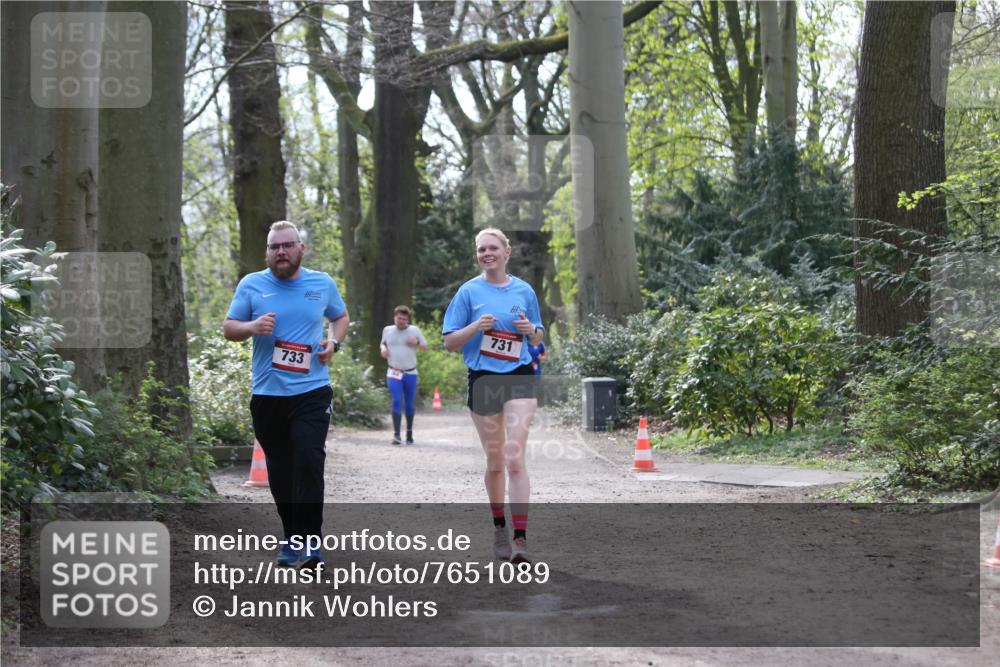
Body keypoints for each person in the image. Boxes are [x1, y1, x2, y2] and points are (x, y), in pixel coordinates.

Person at [223, 220, 349, 568]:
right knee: (280, 470)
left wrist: (333, 343)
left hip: (312, 391)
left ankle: (311, 542)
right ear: (267, 252)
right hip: (268, 394)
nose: (280, 252)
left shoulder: (321, 283)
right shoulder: (252, 284)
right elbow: (229, 328)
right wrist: (252, 326)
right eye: (274, 247)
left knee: (309, 461)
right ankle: (291, 535)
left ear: (300, 249)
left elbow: (340, 317)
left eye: (287, 245)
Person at [442, 228, 544, 564]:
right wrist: (476, 327)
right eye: (481, 249)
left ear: (506, 252)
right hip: (483, 379)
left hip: (519, 377)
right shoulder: (469, 292)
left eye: (492, 248)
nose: (486, 254)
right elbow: (450, 342)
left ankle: (520, 539)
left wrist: (532, 331)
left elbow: (538, 335)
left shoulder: (524, 290)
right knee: (496, 462)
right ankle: (499, 526)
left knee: (515, 458)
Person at [380, 305, 429, 445]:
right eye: (399, 318)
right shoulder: (387, 330)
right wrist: (383, 349)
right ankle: (396, 434)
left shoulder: (414, 330)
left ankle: (409, 432)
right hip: (393, 372)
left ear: (408, 319)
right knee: (396, 400)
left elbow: (425, 347)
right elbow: (383, 343)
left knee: (409, 403)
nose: (401, 321)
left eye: (404, 319)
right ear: (394, 317)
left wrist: (416, 342)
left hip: (410, 373)